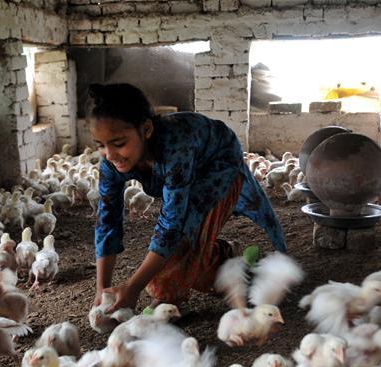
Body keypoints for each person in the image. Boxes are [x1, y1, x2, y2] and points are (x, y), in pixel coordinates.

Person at [89, 83, 286, 312]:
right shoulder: (110, 165)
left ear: (146, 130)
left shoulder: (176, 148)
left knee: (174, 267)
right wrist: (102, 289)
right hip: (188, 171)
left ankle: (222, 269)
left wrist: (133, 287)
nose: (110, 155)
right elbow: (107, 222)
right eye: (101, 145)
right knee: (187, 264)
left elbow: (172, 224)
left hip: (216, 165)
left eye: (119, 143)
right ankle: (222, 256)